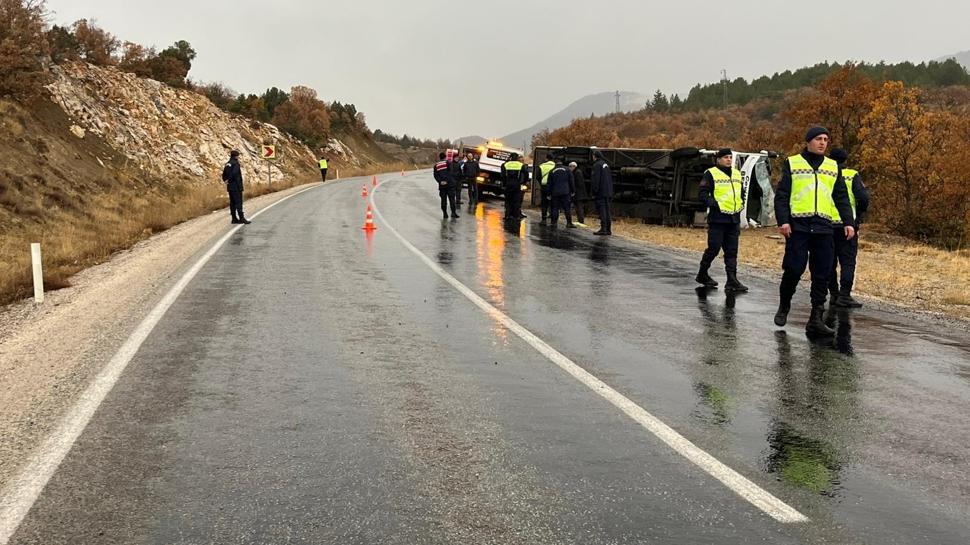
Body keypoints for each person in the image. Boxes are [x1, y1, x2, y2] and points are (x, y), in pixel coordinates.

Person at [773, 127, 855, 336]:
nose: (822, 143)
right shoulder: (793, 163)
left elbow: (841, 197)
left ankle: (815, 318)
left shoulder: (832, 166)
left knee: (823, 273)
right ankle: (784, 306)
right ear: (808, 141)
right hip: (798, 225)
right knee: (794, 268)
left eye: (826, 139)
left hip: (823, 226)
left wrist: (848, 222)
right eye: (818, 138)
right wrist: (783, 221)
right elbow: (782, 195)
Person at [696, 148, 748, 293]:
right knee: (714, 248)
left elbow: (741, 192)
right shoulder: (711, 173)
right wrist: (715, 204)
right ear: (718, 159)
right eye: (725, 157)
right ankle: (702, 274)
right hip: (718, 218)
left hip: (733, 218)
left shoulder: (737, 174)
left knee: (732, 251)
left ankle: (732, 280)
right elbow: (703, 194)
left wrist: (741, 202)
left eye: (730, 157)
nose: (729, 160)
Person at [827, 148, 869, 309]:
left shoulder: (826, 173)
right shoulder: (851, 175)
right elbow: (863, 198)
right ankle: (844, 295)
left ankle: (833, 294)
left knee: (829, 261)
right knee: (848, 261)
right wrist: (857, 215)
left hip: (827, 223)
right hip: (846, 225)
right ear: (845, 160)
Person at [221, 150, 250, 224]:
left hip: (230, 187)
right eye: (238, 156)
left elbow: (223, 174)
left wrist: (226, 180)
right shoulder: (235, 163)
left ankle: (234, 218)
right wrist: (230, 180)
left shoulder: (227, 164)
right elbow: (234, 173)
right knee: (238, 202)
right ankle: (241, 218)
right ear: (236, 156)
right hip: (236, 186)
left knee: (232, 203)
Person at [546, 156, 576, 228]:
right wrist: (573, 191)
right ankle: (569, 223)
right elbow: (571, 181)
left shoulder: (552, 171)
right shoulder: (567, 170)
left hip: (555, 192)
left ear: (555, 163)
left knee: (555, 208)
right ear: (562, 162)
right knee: (567, 208)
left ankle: (554, 223)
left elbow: (549, 183)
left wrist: (548, 194)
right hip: (565, 192)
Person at [590, 151, 613, 235]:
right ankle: (608, 229)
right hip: (608, 191)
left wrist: (594, 191)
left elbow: (596, 180)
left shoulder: (597, 165)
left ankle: (603, 228)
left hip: (601, 192)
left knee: (602, 210)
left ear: (595, 156)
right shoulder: (605, 165)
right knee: (607, 210)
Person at [433, 152, 459, 219]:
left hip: (442, 186)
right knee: (452, 200)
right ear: (445, 157)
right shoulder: (448, 163)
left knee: (443, 200)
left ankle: (445, 214)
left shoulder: (436, 165)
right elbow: (450, 173)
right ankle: (453, 213)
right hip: (450, 185)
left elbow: (435, 175)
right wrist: (446, 181)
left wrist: (440, 181)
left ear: (440, 157)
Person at [501, 153, 526, 221]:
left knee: (508, 201)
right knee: (516, 201)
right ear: (517, 158)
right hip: (517, 185)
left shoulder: (505, 165)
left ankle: (507, 215)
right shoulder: (520, 165)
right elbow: (526, 173)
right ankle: (516, 216)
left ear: (510, 157)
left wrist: (504, 184)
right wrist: (523, 182)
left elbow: (503, 175)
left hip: (508, 185)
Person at [537, 154, 556, 224]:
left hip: (544, 186)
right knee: (554, 203)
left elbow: (538, 176)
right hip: (554, 187)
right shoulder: (555, 166)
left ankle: (544, 219)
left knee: (544, 203)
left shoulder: (542, 166)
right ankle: (553, 220)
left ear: (546, 159)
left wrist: (541, 183)